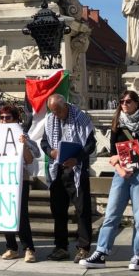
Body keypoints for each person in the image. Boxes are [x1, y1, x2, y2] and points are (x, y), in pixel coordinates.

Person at [81, 90, 139, 271]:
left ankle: (137, 255)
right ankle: (101, 252)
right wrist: (121, 169)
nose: (124, 104)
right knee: (111, 213)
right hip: (121, 173)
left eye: (128, 101)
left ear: (136, 103)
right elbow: (113, 152)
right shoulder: (117, 121)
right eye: (122, 101)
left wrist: (120, 157)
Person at [40, 93, 96, 263]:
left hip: (76, 170)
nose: (56, 115)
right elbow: (44, 143)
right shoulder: (50, 120)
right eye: (53, 111)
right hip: (57, 171)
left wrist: (76, 159)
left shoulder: (80, 118)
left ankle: (83, 248)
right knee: (58, 211)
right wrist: (51, 152)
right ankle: (61, 247)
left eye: (58, 111)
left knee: (82, 210)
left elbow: (90, 144)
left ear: (65, 106)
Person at [0, 104, 39, 263]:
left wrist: (24, 145)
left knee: (21, 215)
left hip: (19, 180)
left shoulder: (23, 136)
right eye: (1, 118)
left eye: (8, 118)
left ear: (16, 119)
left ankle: (29, 248)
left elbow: (30, 160)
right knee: (5, 213)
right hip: (1, 180)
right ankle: (11, 247)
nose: (4, 121)